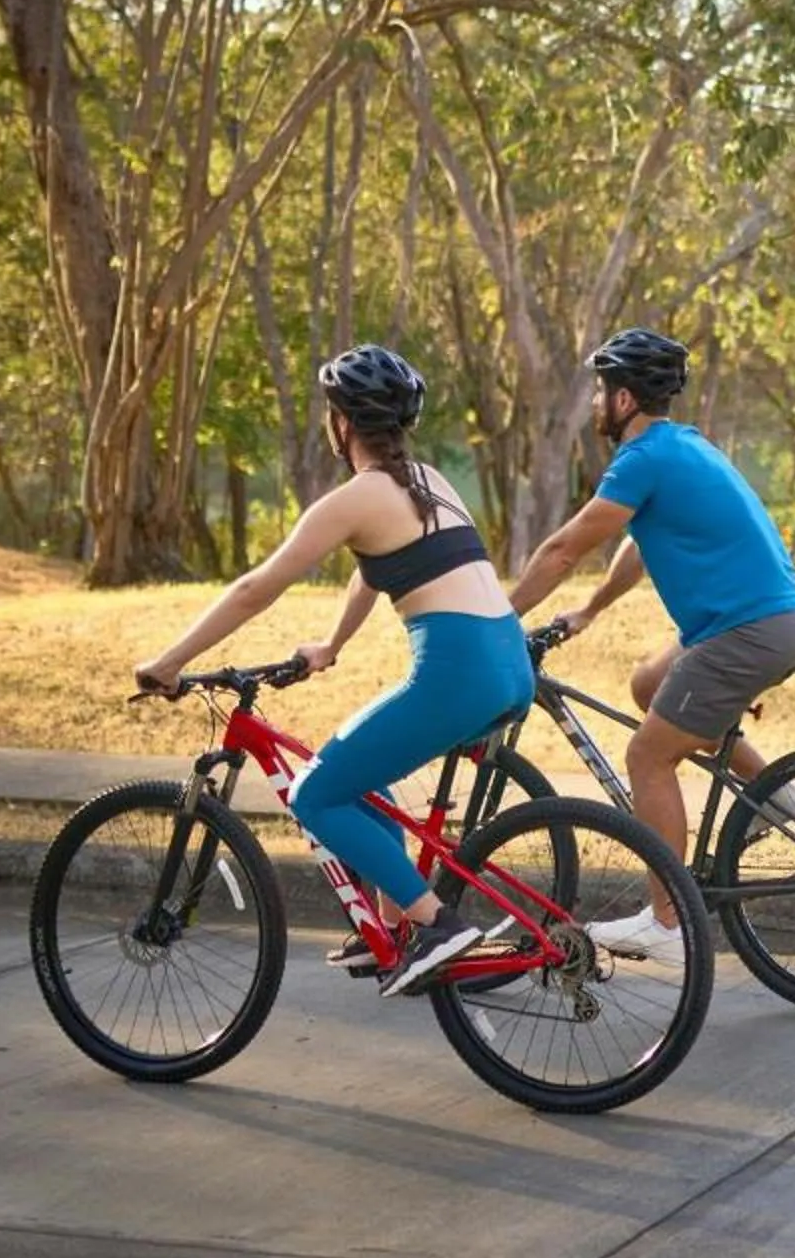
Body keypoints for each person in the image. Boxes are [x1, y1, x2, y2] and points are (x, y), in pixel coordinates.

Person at [133, 345, 532, 998]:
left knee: (317, 794)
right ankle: (397, 926)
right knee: (358, 777)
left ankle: (434, 925)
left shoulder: (353, 499)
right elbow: (373, 569)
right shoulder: (429, 481)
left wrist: (171, 663)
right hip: (508, 664)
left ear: (341, 423)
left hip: (459, 671)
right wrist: (332, 643)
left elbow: (254, 589)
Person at [511, 327, 795, 954]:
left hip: (749, 631)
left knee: (648, 757)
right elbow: (637, 542)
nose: (595, 402)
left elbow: (565, 547)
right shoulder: (679, 447)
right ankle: (773, 795)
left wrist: (493, 619)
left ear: (624, 400)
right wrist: (592, 608)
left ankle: (668, 922)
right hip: (774, 622)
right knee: (650, 684)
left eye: (601, 391)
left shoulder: (643, 459)